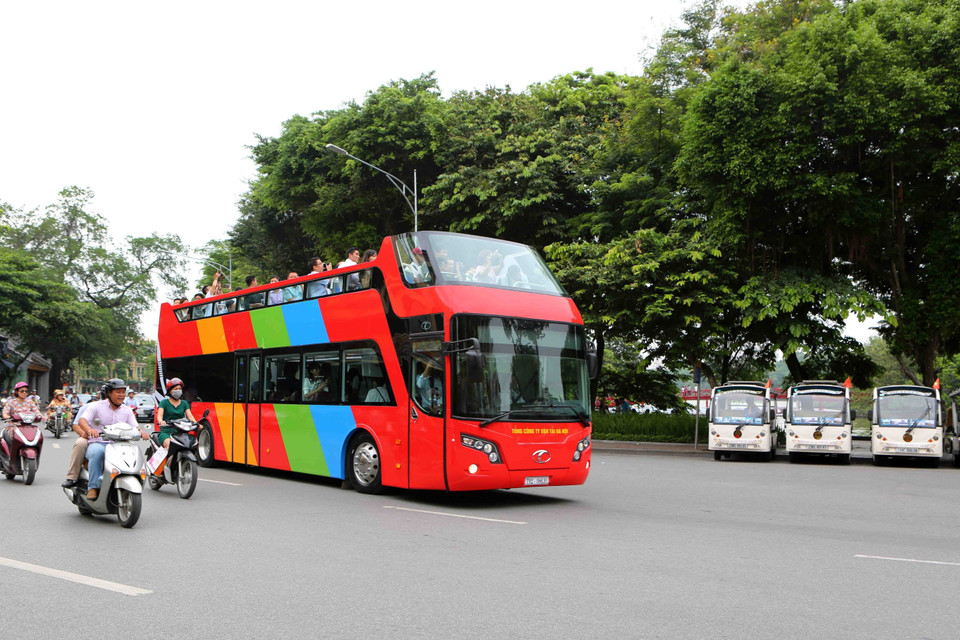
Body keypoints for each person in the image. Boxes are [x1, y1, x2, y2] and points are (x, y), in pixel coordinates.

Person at [66, 379, 149, 499]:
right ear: (109, 393)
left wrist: (142, 432)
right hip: (99, 442)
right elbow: (82, 420)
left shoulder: (127, 410)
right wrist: (89, 430)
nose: (121, 395)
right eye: (118, 392)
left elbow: (135, 426)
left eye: (123, 392)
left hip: (119, 444)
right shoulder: (96, 406)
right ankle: (92, 487)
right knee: (96, 453)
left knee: (134, 453)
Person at [156, 378, 198, 449]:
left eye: (179, 388)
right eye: (175, 389)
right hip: (166, 432)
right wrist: (161, 421)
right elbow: (159, 415)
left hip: (181, 432)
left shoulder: (184, 403)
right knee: (170, 446)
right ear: (170, 391)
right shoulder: (164, 402)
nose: (178, 391)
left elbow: (190, 416)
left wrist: (196, 424)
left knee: (195, 445)